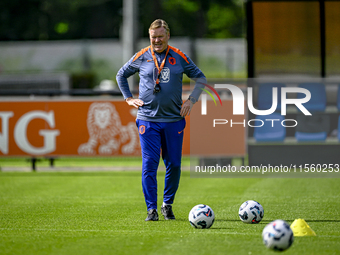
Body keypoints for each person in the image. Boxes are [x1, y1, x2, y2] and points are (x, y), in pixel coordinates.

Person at [116, 19, 206, 221]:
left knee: (173, 164)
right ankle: (151, 209)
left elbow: (200, 78)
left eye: (159, 36)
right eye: (153, 37)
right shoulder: (142, 56)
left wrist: (191, 100)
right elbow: (121, 75)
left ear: (168, 36)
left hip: (174, 119)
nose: (156, 40)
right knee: (149, 163)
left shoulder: (179, 56)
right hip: (147, 119)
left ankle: (167, 204)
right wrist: (128, 98)